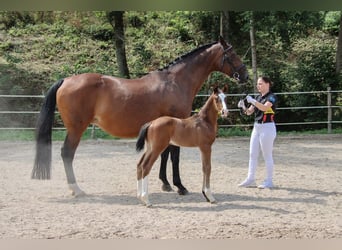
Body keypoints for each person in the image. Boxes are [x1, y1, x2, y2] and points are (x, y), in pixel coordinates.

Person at [237, 76, 277, 189]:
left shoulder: (272, 97)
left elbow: (265, 108)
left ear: (267, 84)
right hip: (257, 127)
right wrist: (243, 106)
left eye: (260, 84)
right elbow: (249, 112)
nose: (258, 86)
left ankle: (269, 180)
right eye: (258, 84)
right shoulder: (258, 97)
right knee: (252, 154)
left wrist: (253, 101)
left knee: (267, 155)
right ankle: (250, 179)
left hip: (267, 127)